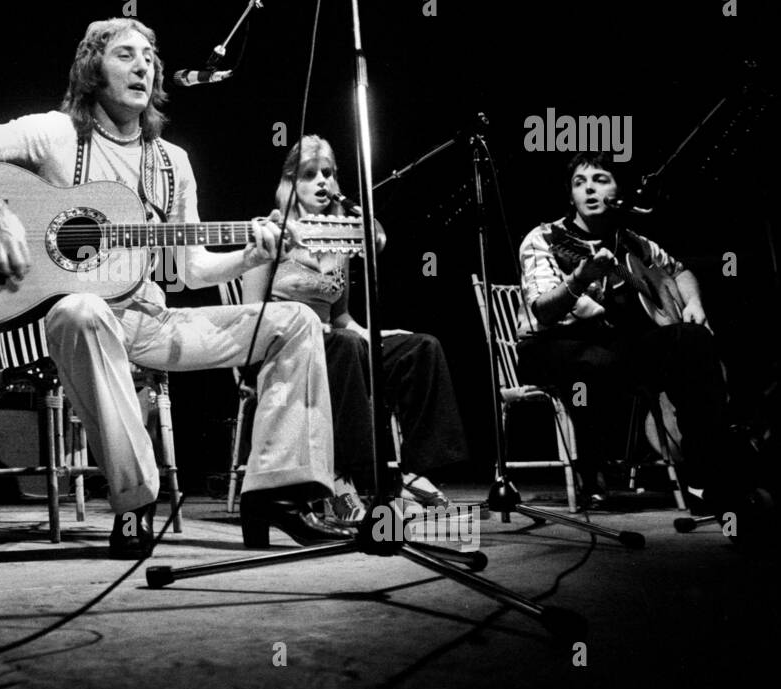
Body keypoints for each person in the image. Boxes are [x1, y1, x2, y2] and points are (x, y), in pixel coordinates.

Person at [0, 17, 351, 554]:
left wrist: (249, 253)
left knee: (296, 322)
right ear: (92, 70)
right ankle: (134, 503)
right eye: (125, 55)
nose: (143, 66)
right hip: (79, 325)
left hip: (151, 321)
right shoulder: (57, 135)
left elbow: (193, 269)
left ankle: (277, 494)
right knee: (81, 310)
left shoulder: (172, 163)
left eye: (149, 56)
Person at [243, 136, 469, 520]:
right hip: (286, 350)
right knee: (346, 346)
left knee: (420, 347)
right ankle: (346, 479)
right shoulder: (271, 232)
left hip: (339, 345)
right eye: (309, 174)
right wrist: (335, 335)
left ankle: (415, 472)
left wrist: (375, 335)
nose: (321, 182)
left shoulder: (340, 237)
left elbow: (343, 316)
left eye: (327, 174)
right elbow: (252, 316)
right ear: (290, 182)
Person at [515, 151, 729, 511]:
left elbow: (679, 270)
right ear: (570, 197)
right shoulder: (545, 237)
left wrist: (693, 304)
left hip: (614, 345)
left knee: (693, 340)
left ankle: (708, 477)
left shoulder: (631, 240)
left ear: (617, 190)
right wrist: (579, 280)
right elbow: (543, 309)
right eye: (579, 183)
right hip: (551, 346)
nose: (589, 189)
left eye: (600, 180)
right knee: (594, 361)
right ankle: (591, 474)